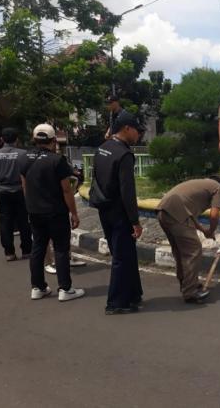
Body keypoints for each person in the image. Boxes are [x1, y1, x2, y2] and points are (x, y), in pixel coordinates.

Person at [18, 124, 84, 301]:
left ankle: (38, 287)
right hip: (55, 212)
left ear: (34, 139)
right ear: (54, 140)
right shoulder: (57, 160)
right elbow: (66, 190)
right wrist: (74, 213)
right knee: (61, 249)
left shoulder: (24, 159)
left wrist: (30, 205)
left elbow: (24, 185)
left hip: (34, 212)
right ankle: (65, 288)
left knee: (38, 248)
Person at [92, 111, 144, 315]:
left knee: (127, 255)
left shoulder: (102, 149)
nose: (138, 136)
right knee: (122, 257)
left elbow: (95, 177)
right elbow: (127, 191)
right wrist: (135, 221)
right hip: (119, 212)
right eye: (137, 131)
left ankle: (133, 294)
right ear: (127, 129)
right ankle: (115, 303)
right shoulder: (124, 155)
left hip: (104, 208)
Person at [156, 176, 220, 303]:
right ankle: (190, 291)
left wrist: (204, 231)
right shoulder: (218, 188)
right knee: (193, 251)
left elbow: (190, 217)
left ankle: (188, 283)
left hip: (163, 211)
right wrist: (212, 230)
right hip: (177, 214)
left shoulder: (201, 185)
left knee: (180, 251)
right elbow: (214, 215)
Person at [0, 127, 32, 261]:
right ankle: (27, 250)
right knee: (24, 221)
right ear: (17, 139)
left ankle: (9, 252)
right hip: (20, 191)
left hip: (2, 191)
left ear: (2, 139)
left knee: (5, 221)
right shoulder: (24, 154)